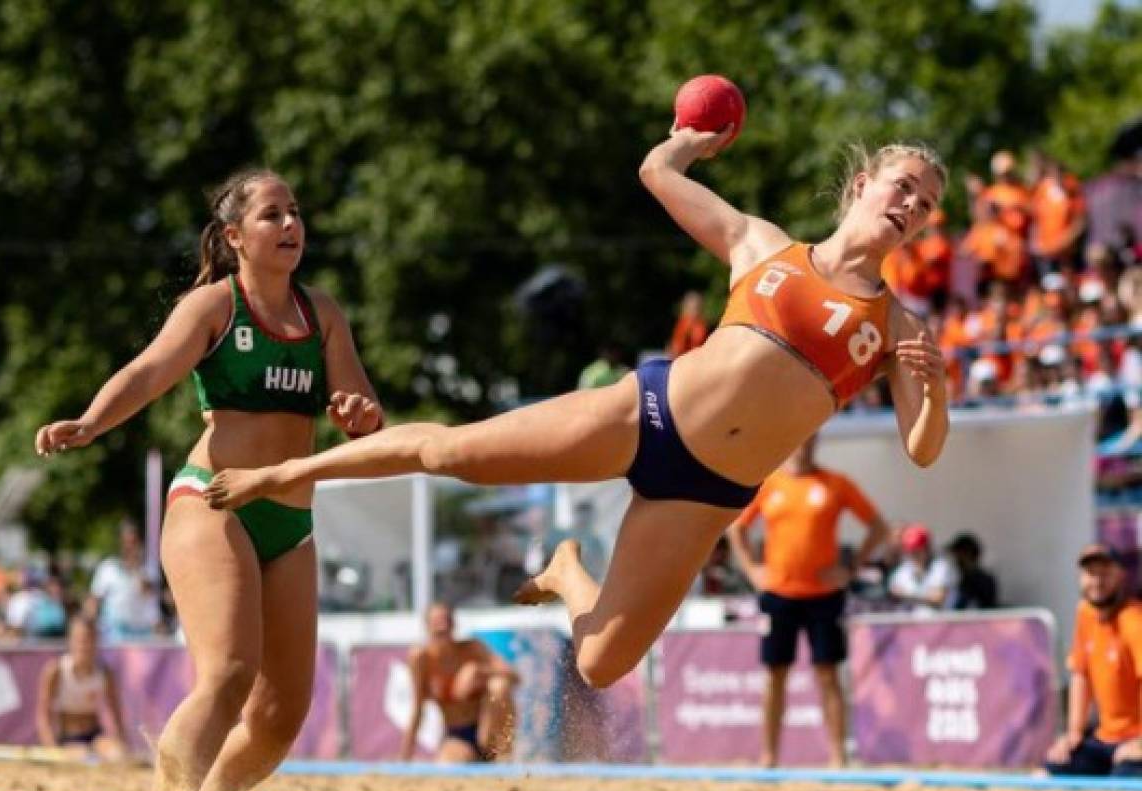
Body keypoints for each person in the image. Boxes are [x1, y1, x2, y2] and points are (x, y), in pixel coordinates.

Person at [205, 129, 949, 692]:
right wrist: (688, 138)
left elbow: (922, 449)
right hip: (647, 415)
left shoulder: (899, 331)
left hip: (708, 493)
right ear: (861, 184)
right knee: (451, 453)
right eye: (903, 185)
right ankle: (289, 470)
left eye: (925, 203)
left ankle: (565, 571)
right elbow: (657, 172)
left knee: (599, 664)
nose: (910, 205)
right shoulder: (765, 245)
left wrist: (935, 387)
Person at [35, 168, 383, 791]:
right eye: (272, 215)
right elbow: (147, 373)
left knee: (281, 717)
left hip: (289, 523)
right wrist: (90, 422)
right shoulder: (215, 305)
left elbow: (364, 408)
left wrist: (359, 415)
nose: (290, 225)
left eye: (296, 212)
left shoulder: (322, 311)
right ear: (234, 235)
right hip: (213, 503)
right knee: (227, 674)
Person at [726, 434, 889, 767]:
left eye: (810, 439)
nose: (803, 445)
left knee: (827, 674)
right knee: (775, 674)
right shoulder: (768, 483)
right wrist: (753, 571)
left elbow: (878, 527)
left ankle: (837, 756)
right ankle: (769, 756)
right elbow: (736, 529)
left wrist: (851, 568)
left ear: (816, 442)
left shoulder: (835, 483)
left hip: (823, 595)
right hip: (778, 594)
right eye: (799, 439)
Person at [1045, 544, 1142, 777]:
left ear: (1121, 575)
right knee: (1058, 765)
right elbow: (1080, 673)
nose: (1097, 581)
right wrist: (1073, 734)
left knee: (1124, 780)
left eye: (1105, 573)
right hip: (1104, 739)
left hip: (1135, 738)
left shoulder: (1134, 619)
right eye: (1091, 573)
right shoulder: (1085, 613)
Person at [401, 603, 518, 762]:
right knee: (449, 766)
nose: (442, 627)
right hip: (458, 733)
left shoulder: (472, 649)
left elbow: (515, 676)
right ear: (427, 627)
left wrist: (479, 671)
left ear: (453, 624)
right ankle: (480, 757)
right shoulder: (422, 659)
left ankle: (501, 753)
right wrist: (404, 757)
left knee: (499, 685)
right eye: (436, 622)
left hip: (487, 729)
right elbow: (417, 707)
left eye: (446, 621)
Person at [35, 615, 128, 761]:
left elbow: (115, 711)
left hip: (95, 735)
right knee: (84, 757)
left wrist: (122, 741)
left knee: (117, 755)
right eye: (80, 640)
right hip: (69, 738)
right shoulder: (56, 670)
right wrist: (51, 747)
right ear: (71, 641)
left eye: (90, 640)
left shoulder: (104, 673)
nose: (85, 645)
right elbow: (43, 714)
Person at [88, 520, 160, 640]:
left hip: (141, 633)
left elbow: (148, 592)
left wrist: (136, 567)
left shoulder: (148, 569)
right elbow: (94, 601)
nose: (129, 546)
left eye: (133, 542)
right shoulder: (107, 567)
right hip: (113, 634)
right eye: (126, 542)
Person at [887, 523, 955, 610]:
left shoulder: (941, 566)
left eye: (917, 551)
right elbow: (894, 593)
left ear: (927, 548)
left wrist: (906, 595)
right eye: (910, 551)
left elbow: (937, 598)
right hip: (910, 621)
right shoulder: (903, 570)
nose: (913, 555)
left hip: (941, 620)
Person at [945, 532, 999, 610]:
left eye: (958, 554)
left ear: (967, 554)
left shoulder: (983, 580)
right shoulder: (959, 577)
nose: (955, 559)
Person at [667, 290, 710, 356]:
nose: (694, 310)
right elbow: (676, 348)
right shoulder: (683, 324)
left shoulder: (702, 324)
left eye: (696, 307)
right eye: (693, 307)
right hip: (687, 359)